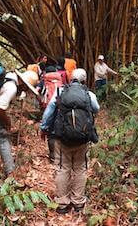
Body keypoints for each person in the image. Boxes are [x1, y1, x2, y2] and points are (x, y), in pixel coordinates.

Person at [40, 68, 100, 214]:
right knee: (80, 168)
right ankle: (78, 202)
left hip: (62, 137)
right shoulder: (89, 94)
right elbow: (96, 109)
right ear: (84, 80)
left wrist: (44, 128)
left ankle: (62, 203)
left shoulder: (60, 92)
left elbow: (49, 111)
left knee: (62, 168)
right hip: (82, 139)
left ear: (70, 78)